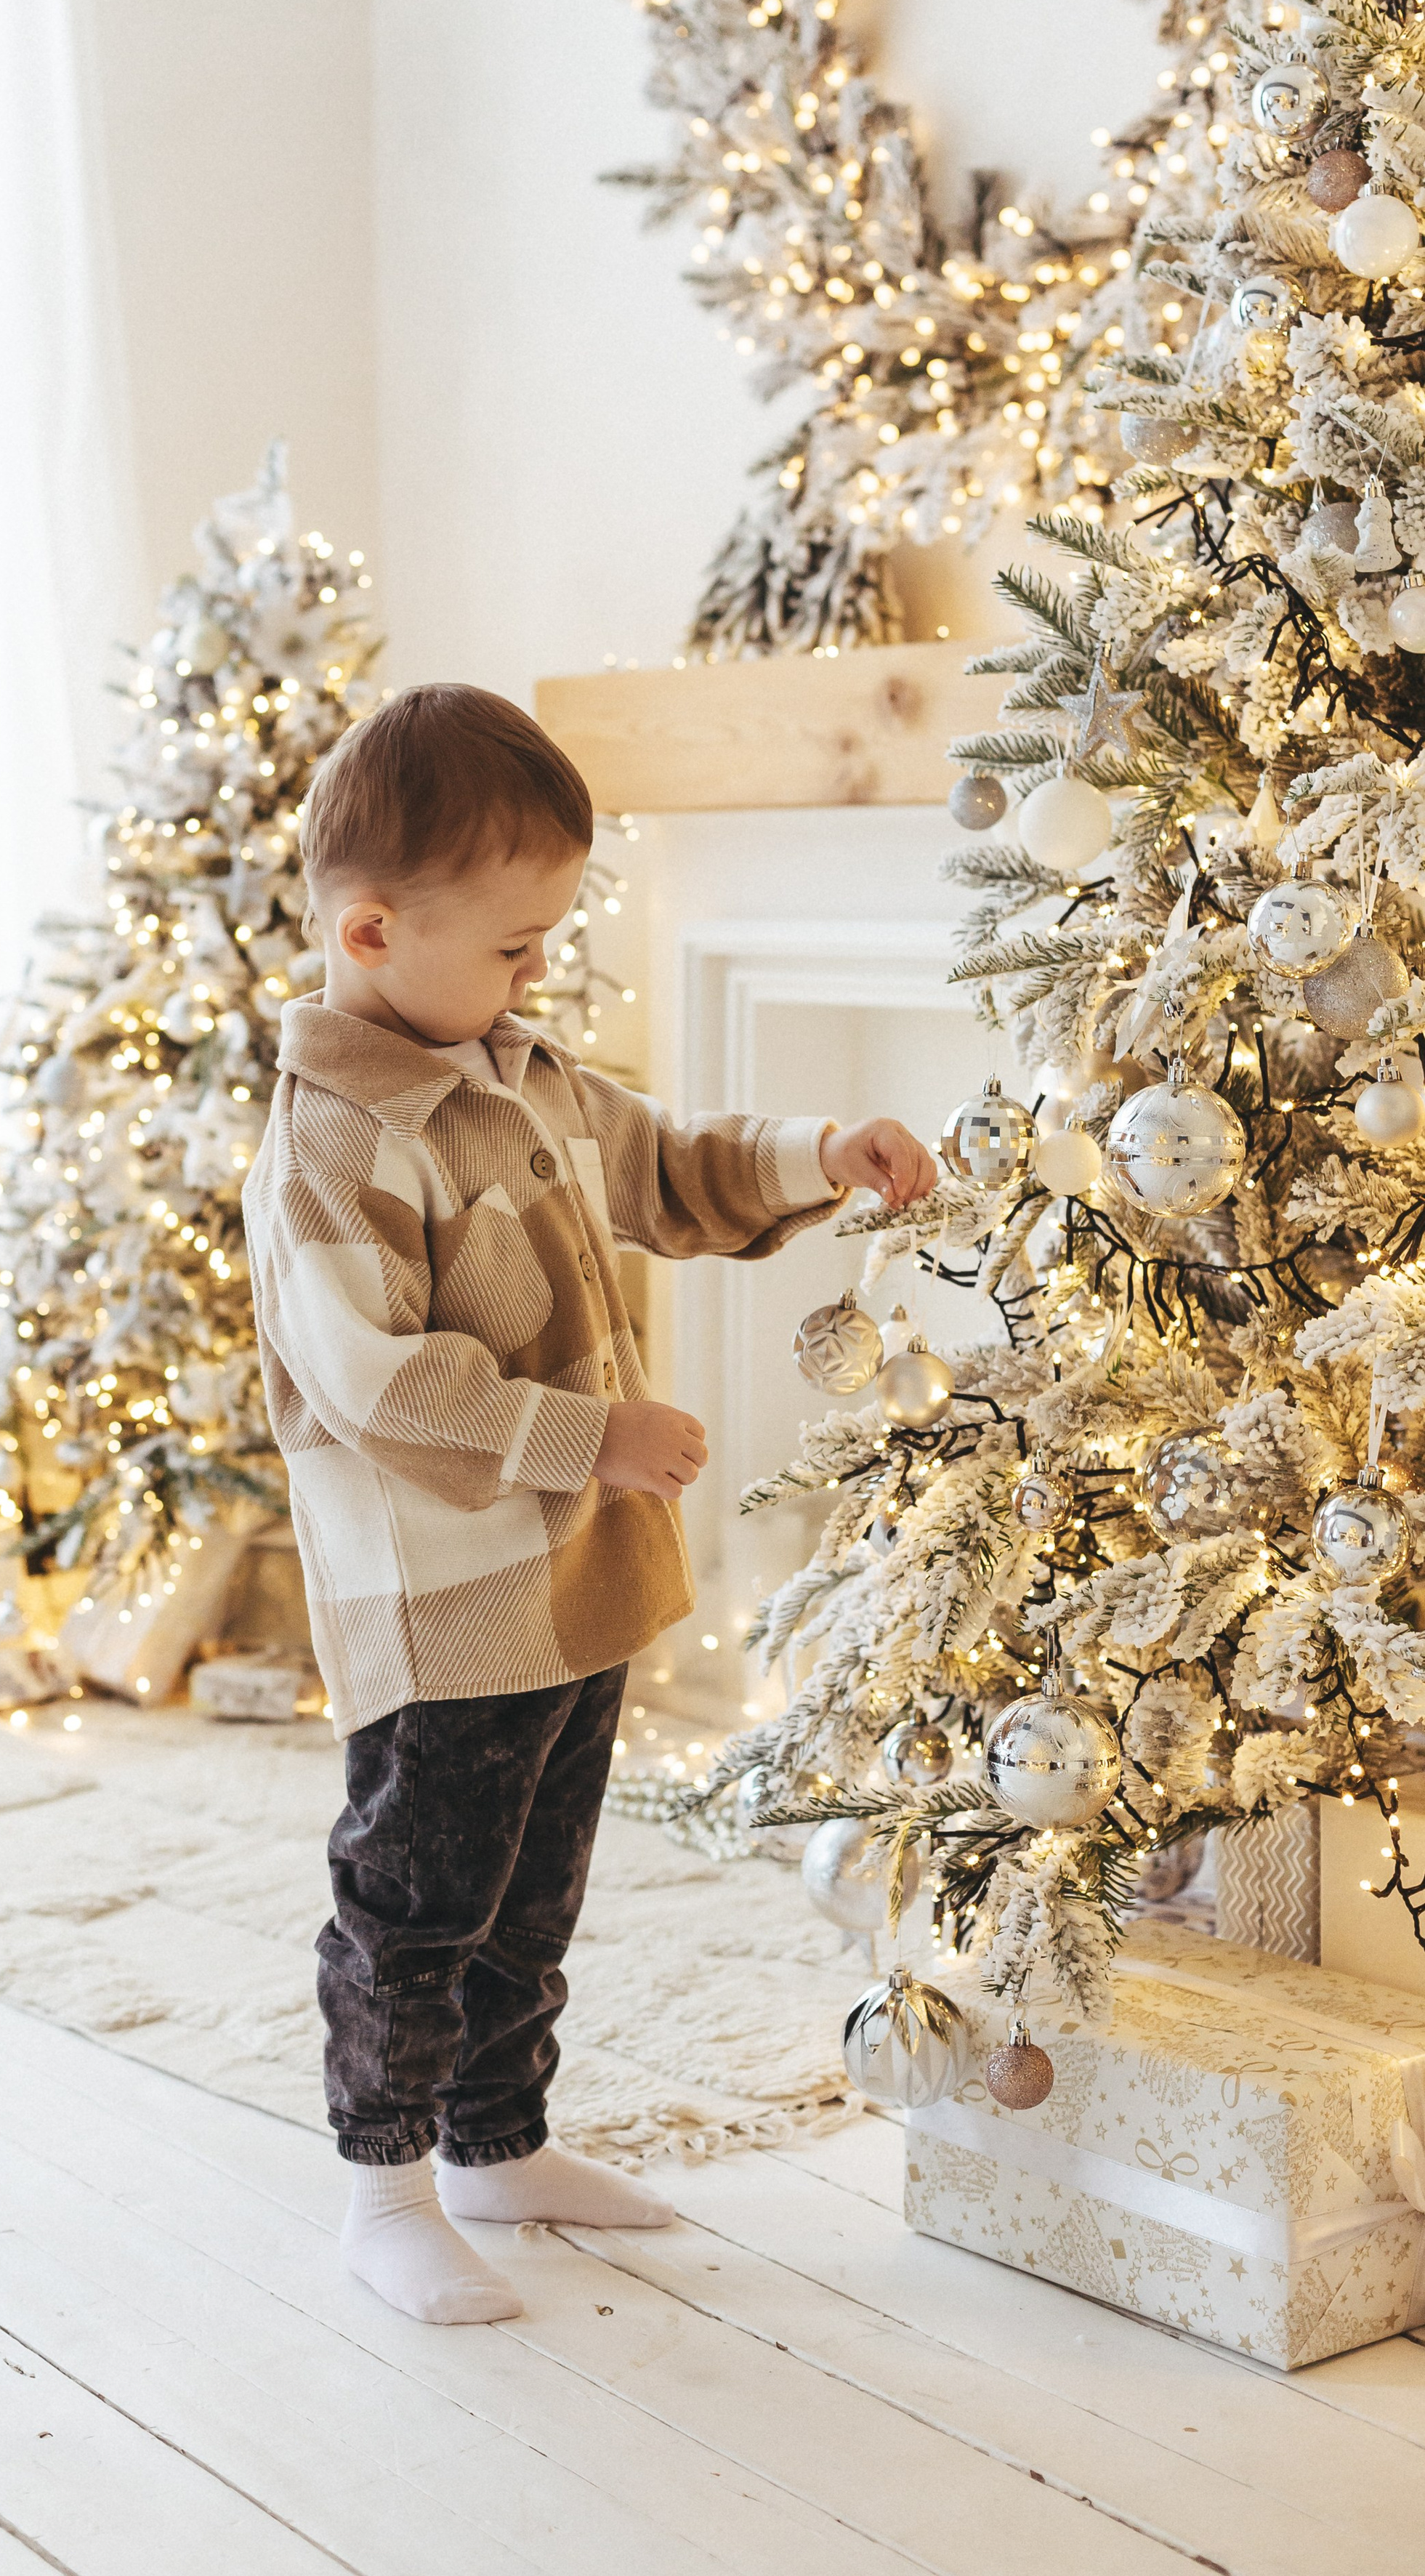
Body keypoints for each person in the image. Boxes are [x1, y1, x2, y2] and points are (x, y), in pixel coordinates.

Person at [242, 683, 936, 2324]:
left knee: (534, 1889)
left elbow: (666, 1164)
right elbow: (379, 1384)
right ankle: (386, 2185)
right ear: (368, 930)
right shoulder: (334, 1145)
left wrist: (818, 1148)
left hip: (573, 1582)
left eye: (549, 937)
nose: (536, 970)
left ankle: (496, 2139)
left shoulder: (517, 1068)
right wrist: (589, 1436)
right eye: (511, 943)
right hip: (444, 1593)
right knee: (421, 1895)